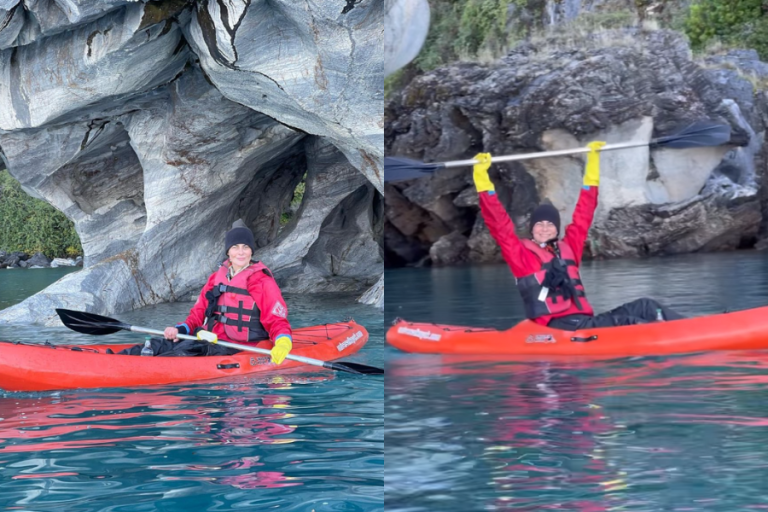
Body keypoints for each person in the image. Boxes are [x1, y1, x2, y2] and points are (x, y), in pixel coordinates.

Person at [472, 143, 685, 330]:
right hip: (558, 326)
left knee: (647, 306)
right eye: (539, 225)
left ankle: (694, 328)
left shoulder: (568, 249)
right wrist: (483, 180)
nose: (545, 228)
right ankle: (667, 339)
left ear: (556, 229)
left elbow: (584, 212)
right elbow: (499, 224)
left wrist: (592, 163)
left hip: (583, 321)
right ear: (532, 229)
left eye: (550, 224)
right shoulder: (520, 255)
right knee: (629, 322)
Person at [121, 224, 293, 364]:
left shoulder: (262, 281)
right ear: (228, 252)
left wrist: (283, 341)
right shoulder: (216, 278)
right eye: (235, 247)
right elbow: (198, 313)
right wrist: (180, 329)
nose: (241, 252)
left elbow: (276, 319)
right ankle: (113, 359)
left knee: (181, 353)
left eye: (245, 247)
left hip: (235, 345)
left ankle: (139, 370)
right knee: (158, 344)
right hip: (207, 336)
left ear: (251, 251)